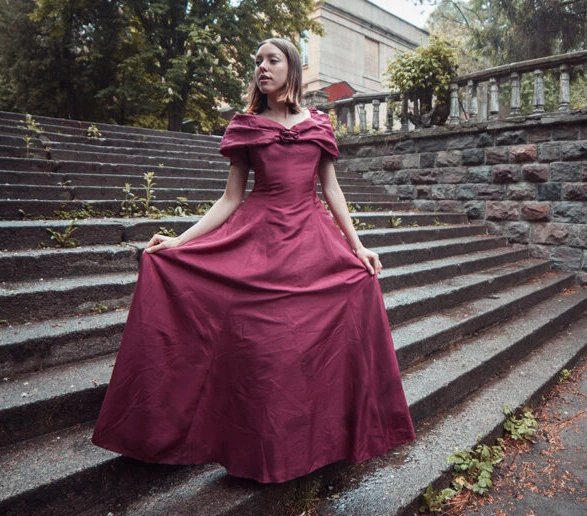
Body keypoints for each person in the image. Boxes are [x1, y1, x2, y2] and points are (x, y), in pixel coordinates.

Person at [92, 38, 415, 484]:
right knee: (262, 342)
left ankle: (321, 438)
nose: (262, 68)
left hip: (310, 238)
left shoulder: (319, 125)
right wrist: (180, 242)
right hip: (259, 236)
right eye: (258, 62)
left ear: (292, 68)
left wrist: (357, 246)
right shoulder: (246, 125)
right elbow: (230, 198)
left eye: (272, 60)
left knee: (352, 296)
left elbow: (332, 191)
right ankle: (253, 446)